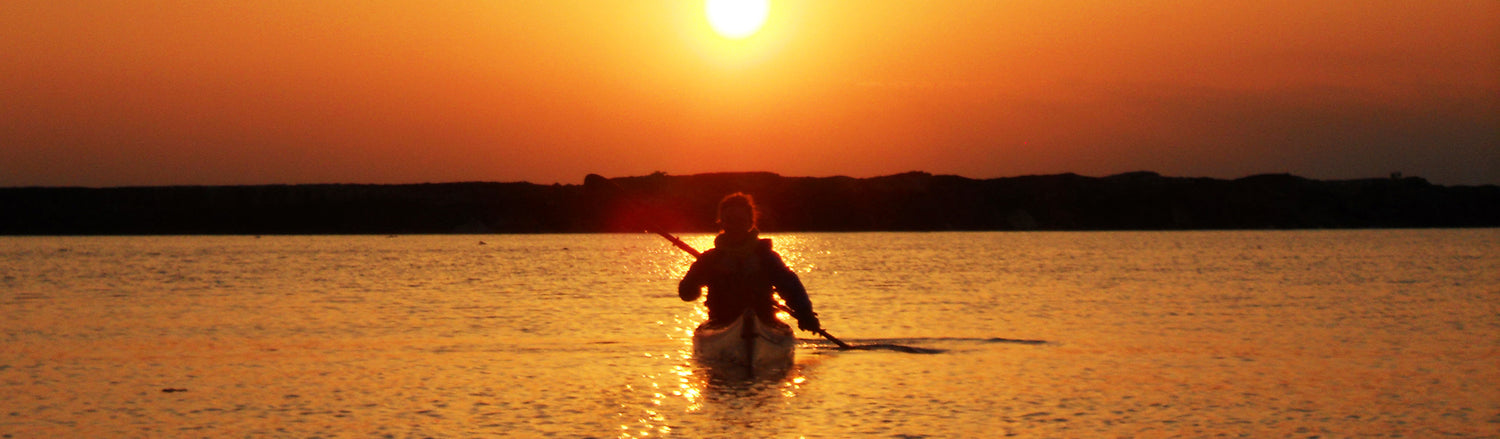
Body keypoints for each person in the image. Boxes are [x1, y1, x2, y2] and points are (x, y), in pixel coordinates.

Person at [678, 193, 822, 333]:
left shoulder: (766, 257)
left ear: (750, 223)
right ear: (722, 223)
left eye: (740, 220)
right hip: (720, 321)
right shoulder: (710, 259)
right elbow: (686, 294)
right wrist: (692, 284)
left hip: (763, 319)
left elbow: (791, 286)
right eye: (730, 220)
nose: (735, 226)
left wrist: (805, 314)